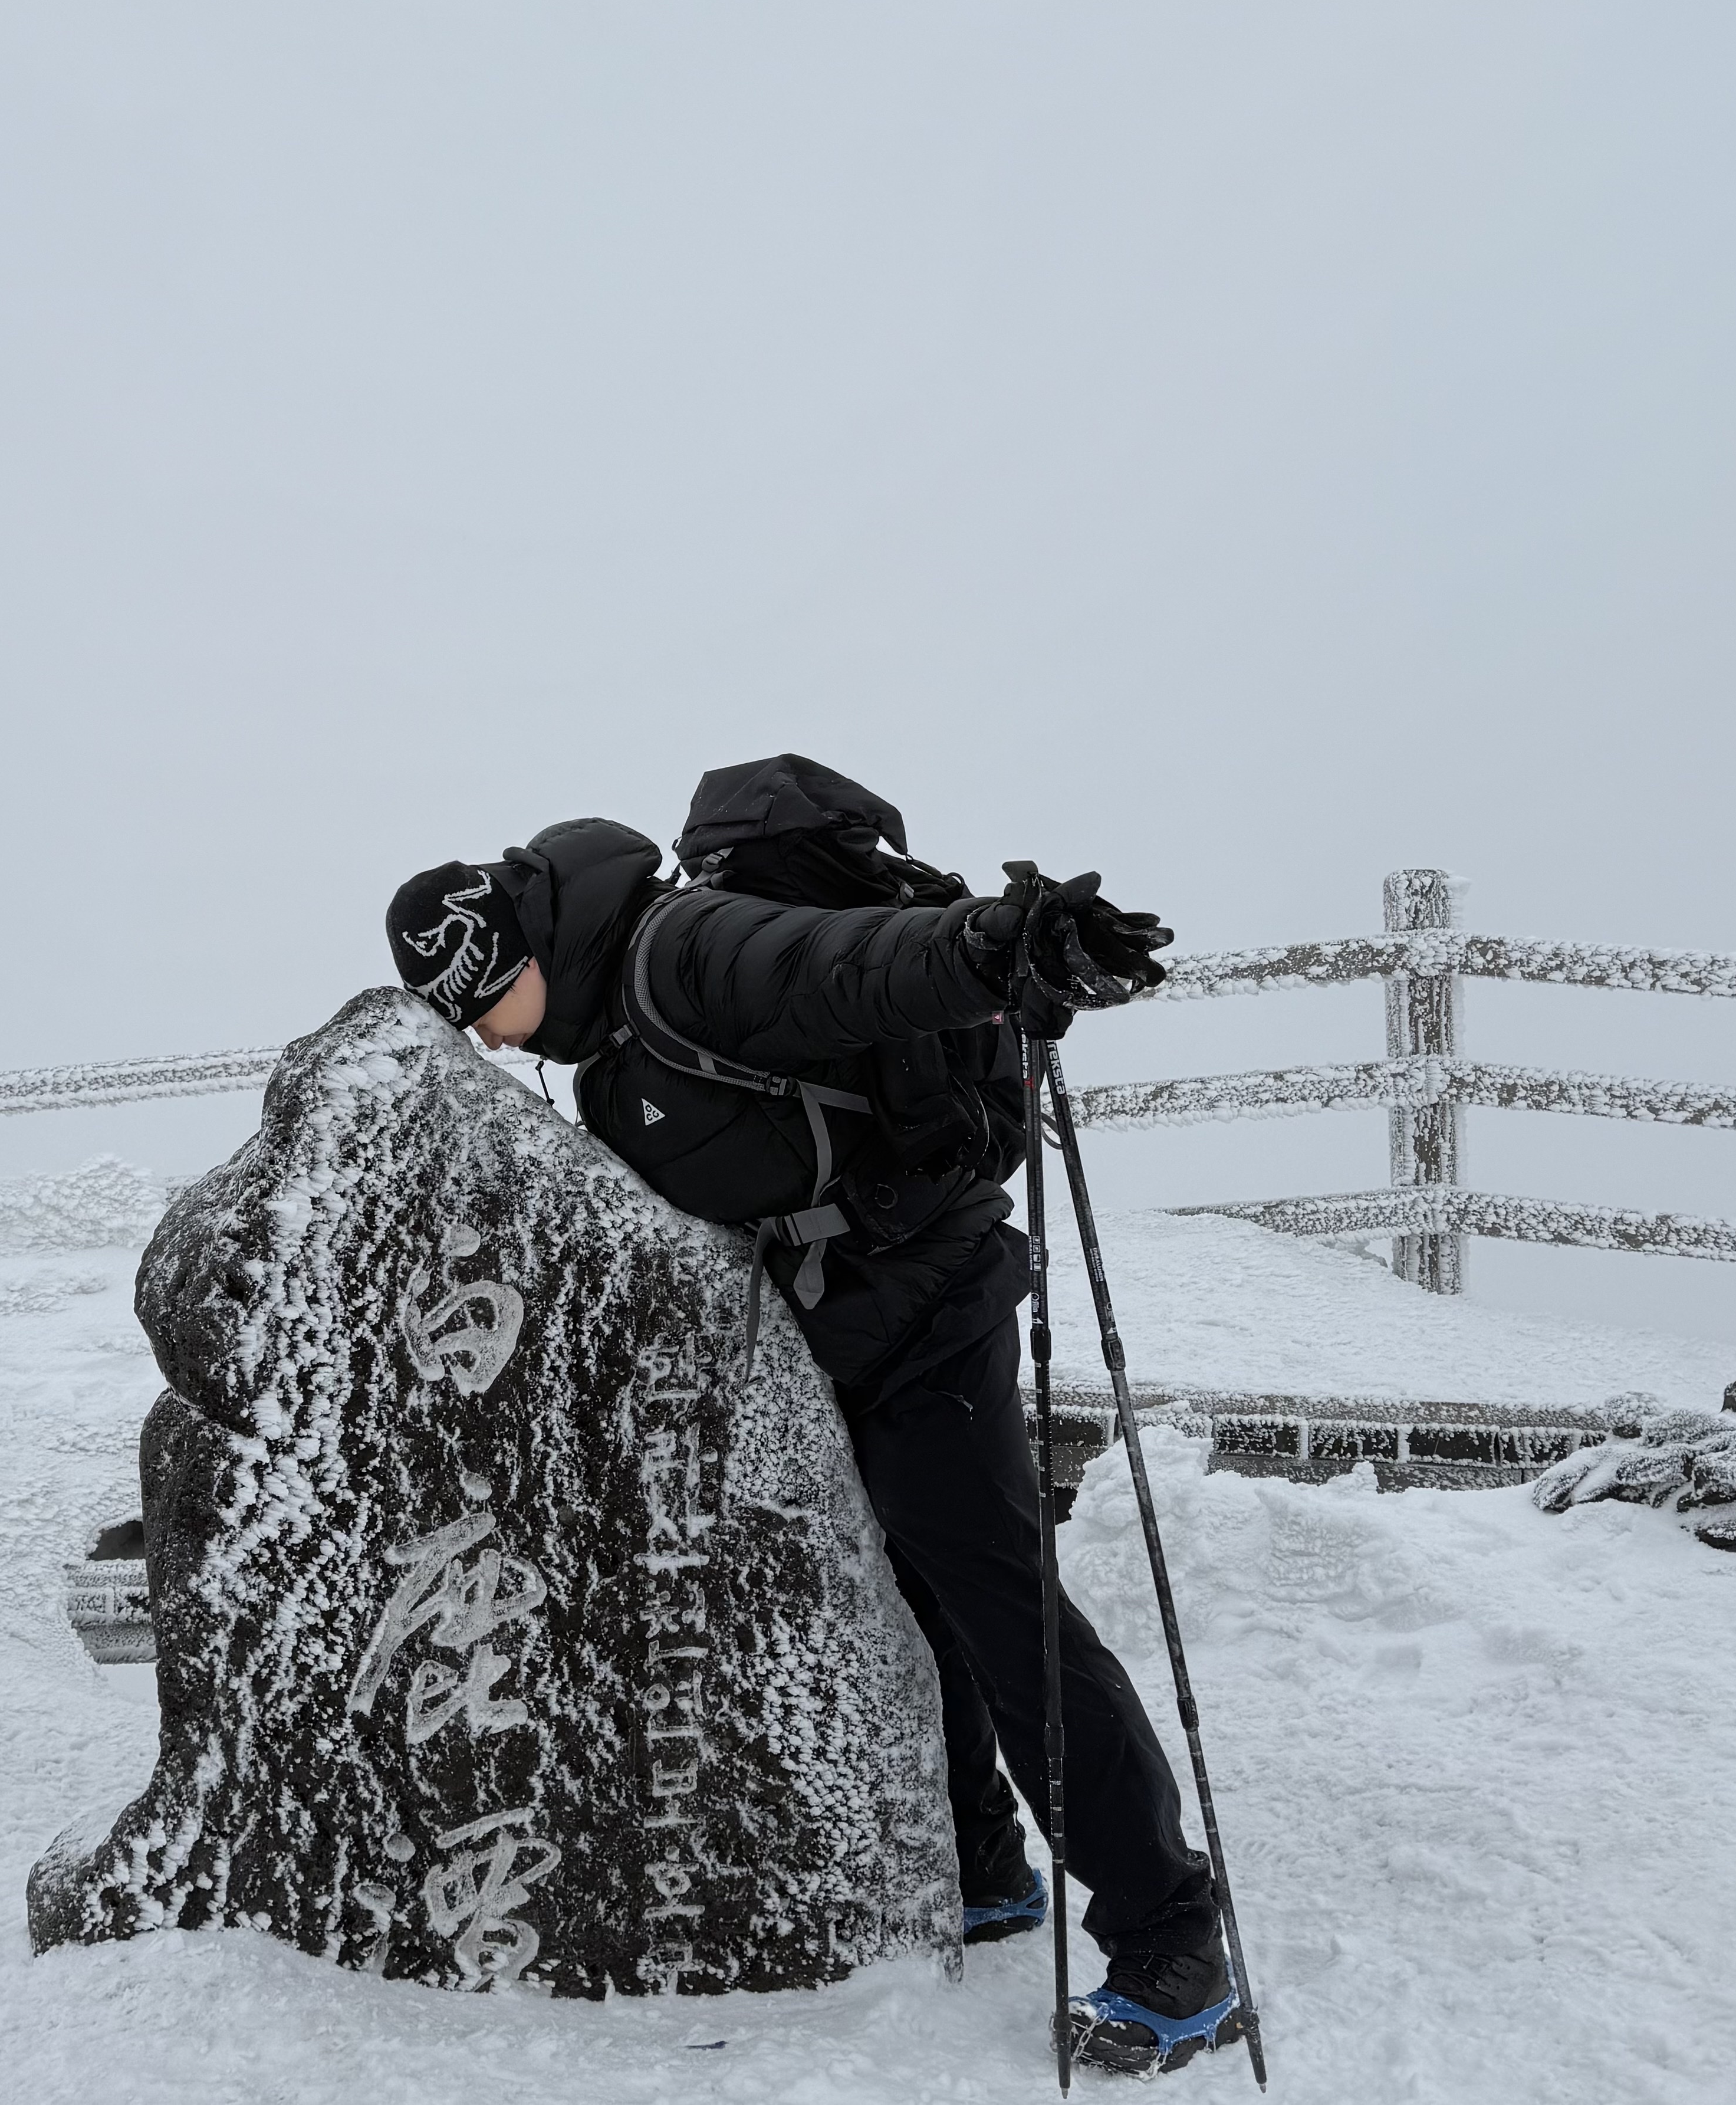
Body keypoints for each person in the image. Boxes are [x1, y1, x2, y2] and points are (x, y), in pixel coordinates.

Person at [384, 763, 1242, 2076]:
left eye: (481, 1005)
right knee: (926, 1595)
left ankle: (1171, 1936)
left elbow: (849, 966)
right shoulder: (613, 1035)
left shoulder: (688, 952)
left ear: (513, 950)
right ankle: (984, 1867)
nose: (490, 1039)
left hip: (929, 1312)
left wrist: (1000, 949)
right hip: (848, 1333)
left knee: (1006, 1606)